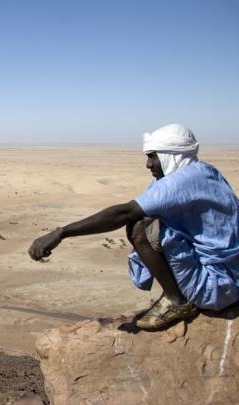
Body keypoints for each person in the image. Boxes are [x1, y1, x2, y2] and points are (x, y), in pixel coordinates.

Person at [28, 124, 239, 330]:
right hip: (232, 278)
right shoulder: (205, 171)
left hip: (216, 288)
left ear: (170, 155)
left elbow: (124, 213)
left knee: (140, 227)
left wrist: (61, 232)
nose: (148, 164)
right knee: (153, 222)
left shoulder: (181, 182)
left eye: (153, 156)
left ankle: (177, 302)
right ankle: (177, 293)